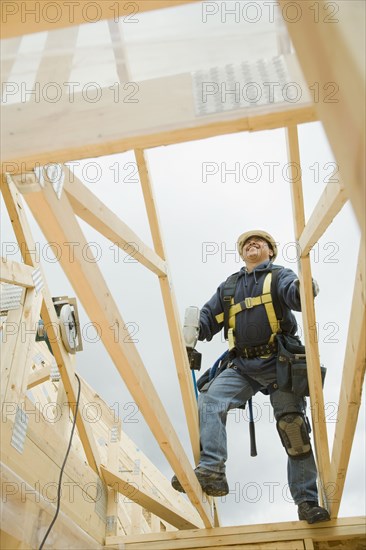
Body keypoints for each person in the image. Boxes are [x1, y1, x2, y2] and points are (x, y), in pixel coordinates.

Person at [171, 230, 330, 524]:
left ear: (270, 251)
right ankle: (212, 470)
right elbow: (209, 318)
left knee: (292, 427)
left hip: (278, 361)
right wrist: (192, 334)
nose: (251, 244)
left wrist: (303, 289)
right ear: (242, 253)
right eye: (246, 243)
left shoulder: (279, 275)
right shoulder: (230, 286)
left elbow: (293, 295)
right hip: (242, 364)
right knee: (210, 399)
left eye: (259, 242)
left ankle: (307, 502)